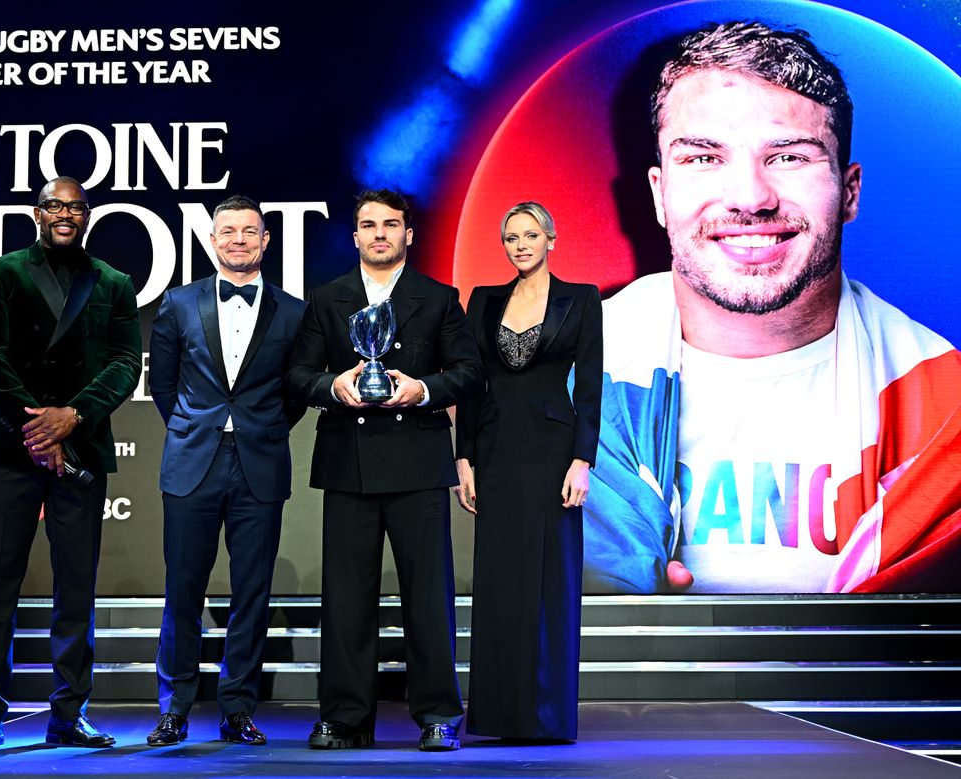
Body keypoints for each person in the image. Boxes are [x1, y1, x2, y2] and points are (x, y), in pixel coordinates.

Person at [584, 21, 961, 595]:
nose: (751, 198)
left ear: (850, 191)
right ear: (660, 195)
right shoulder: (559, 386)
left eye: (789, 157)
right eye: (704, 159)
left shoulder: (945, 406)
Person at [286, 189, 483, 751]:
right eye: (368, 225)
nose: (379, 233)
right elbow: (298, 375)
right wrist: (333, 386)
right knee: (346, 599)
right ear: (354, 237)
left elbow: (470, 373)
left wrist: (424, 389)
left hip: (418, 464)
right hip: (348, 462)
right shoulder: (328, 299)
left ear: (408, 235)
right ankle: (345, 717)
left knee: (428, 597)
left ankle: (439, 715)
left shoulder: (439, 299)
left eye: (390, 224)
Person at [0, 176, 142, 750]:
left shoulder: (112, 281)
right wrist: (38, 430)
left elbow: (123, 363)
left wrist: (73, 417)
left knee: (76, 587)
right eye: (56, 205)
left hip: (81, 449)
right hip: (16, 451)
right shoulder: (1, 273)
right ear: (38, 213)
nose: (66, 214)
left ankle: (69, 713)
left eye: (76, 207)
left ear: (87, 216)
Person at [146, 195, 306, 746]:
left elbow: (296, 394)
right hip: (192, 463)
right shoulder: (177, 303)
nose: (238, 239)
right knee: (182, 590)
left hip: (260, 464)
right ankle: (174, 709)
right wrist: (198, 426)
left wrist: (256, 428)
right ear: (212, 241)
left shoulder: (293, 311)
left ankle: (238, 708)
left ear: (265, 241)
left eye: (249, 231)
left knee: (252, 592)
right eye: (228, 231)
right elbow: (163, 386)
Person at [454, 202, 601, 740]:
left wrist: (583, 459)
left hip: (554, 449)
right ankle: (496, 712)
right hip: (495, 448)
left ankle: (546, 713)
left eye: (530, 235)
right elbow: (470, 381)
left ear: (551, 239)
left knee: (551, 577)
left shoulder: (580, 299)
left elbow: (589, 386)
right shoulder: (485, 300)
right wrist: (463, 456)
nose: (520, 244)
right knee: (499, 580)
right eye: (511, 236)